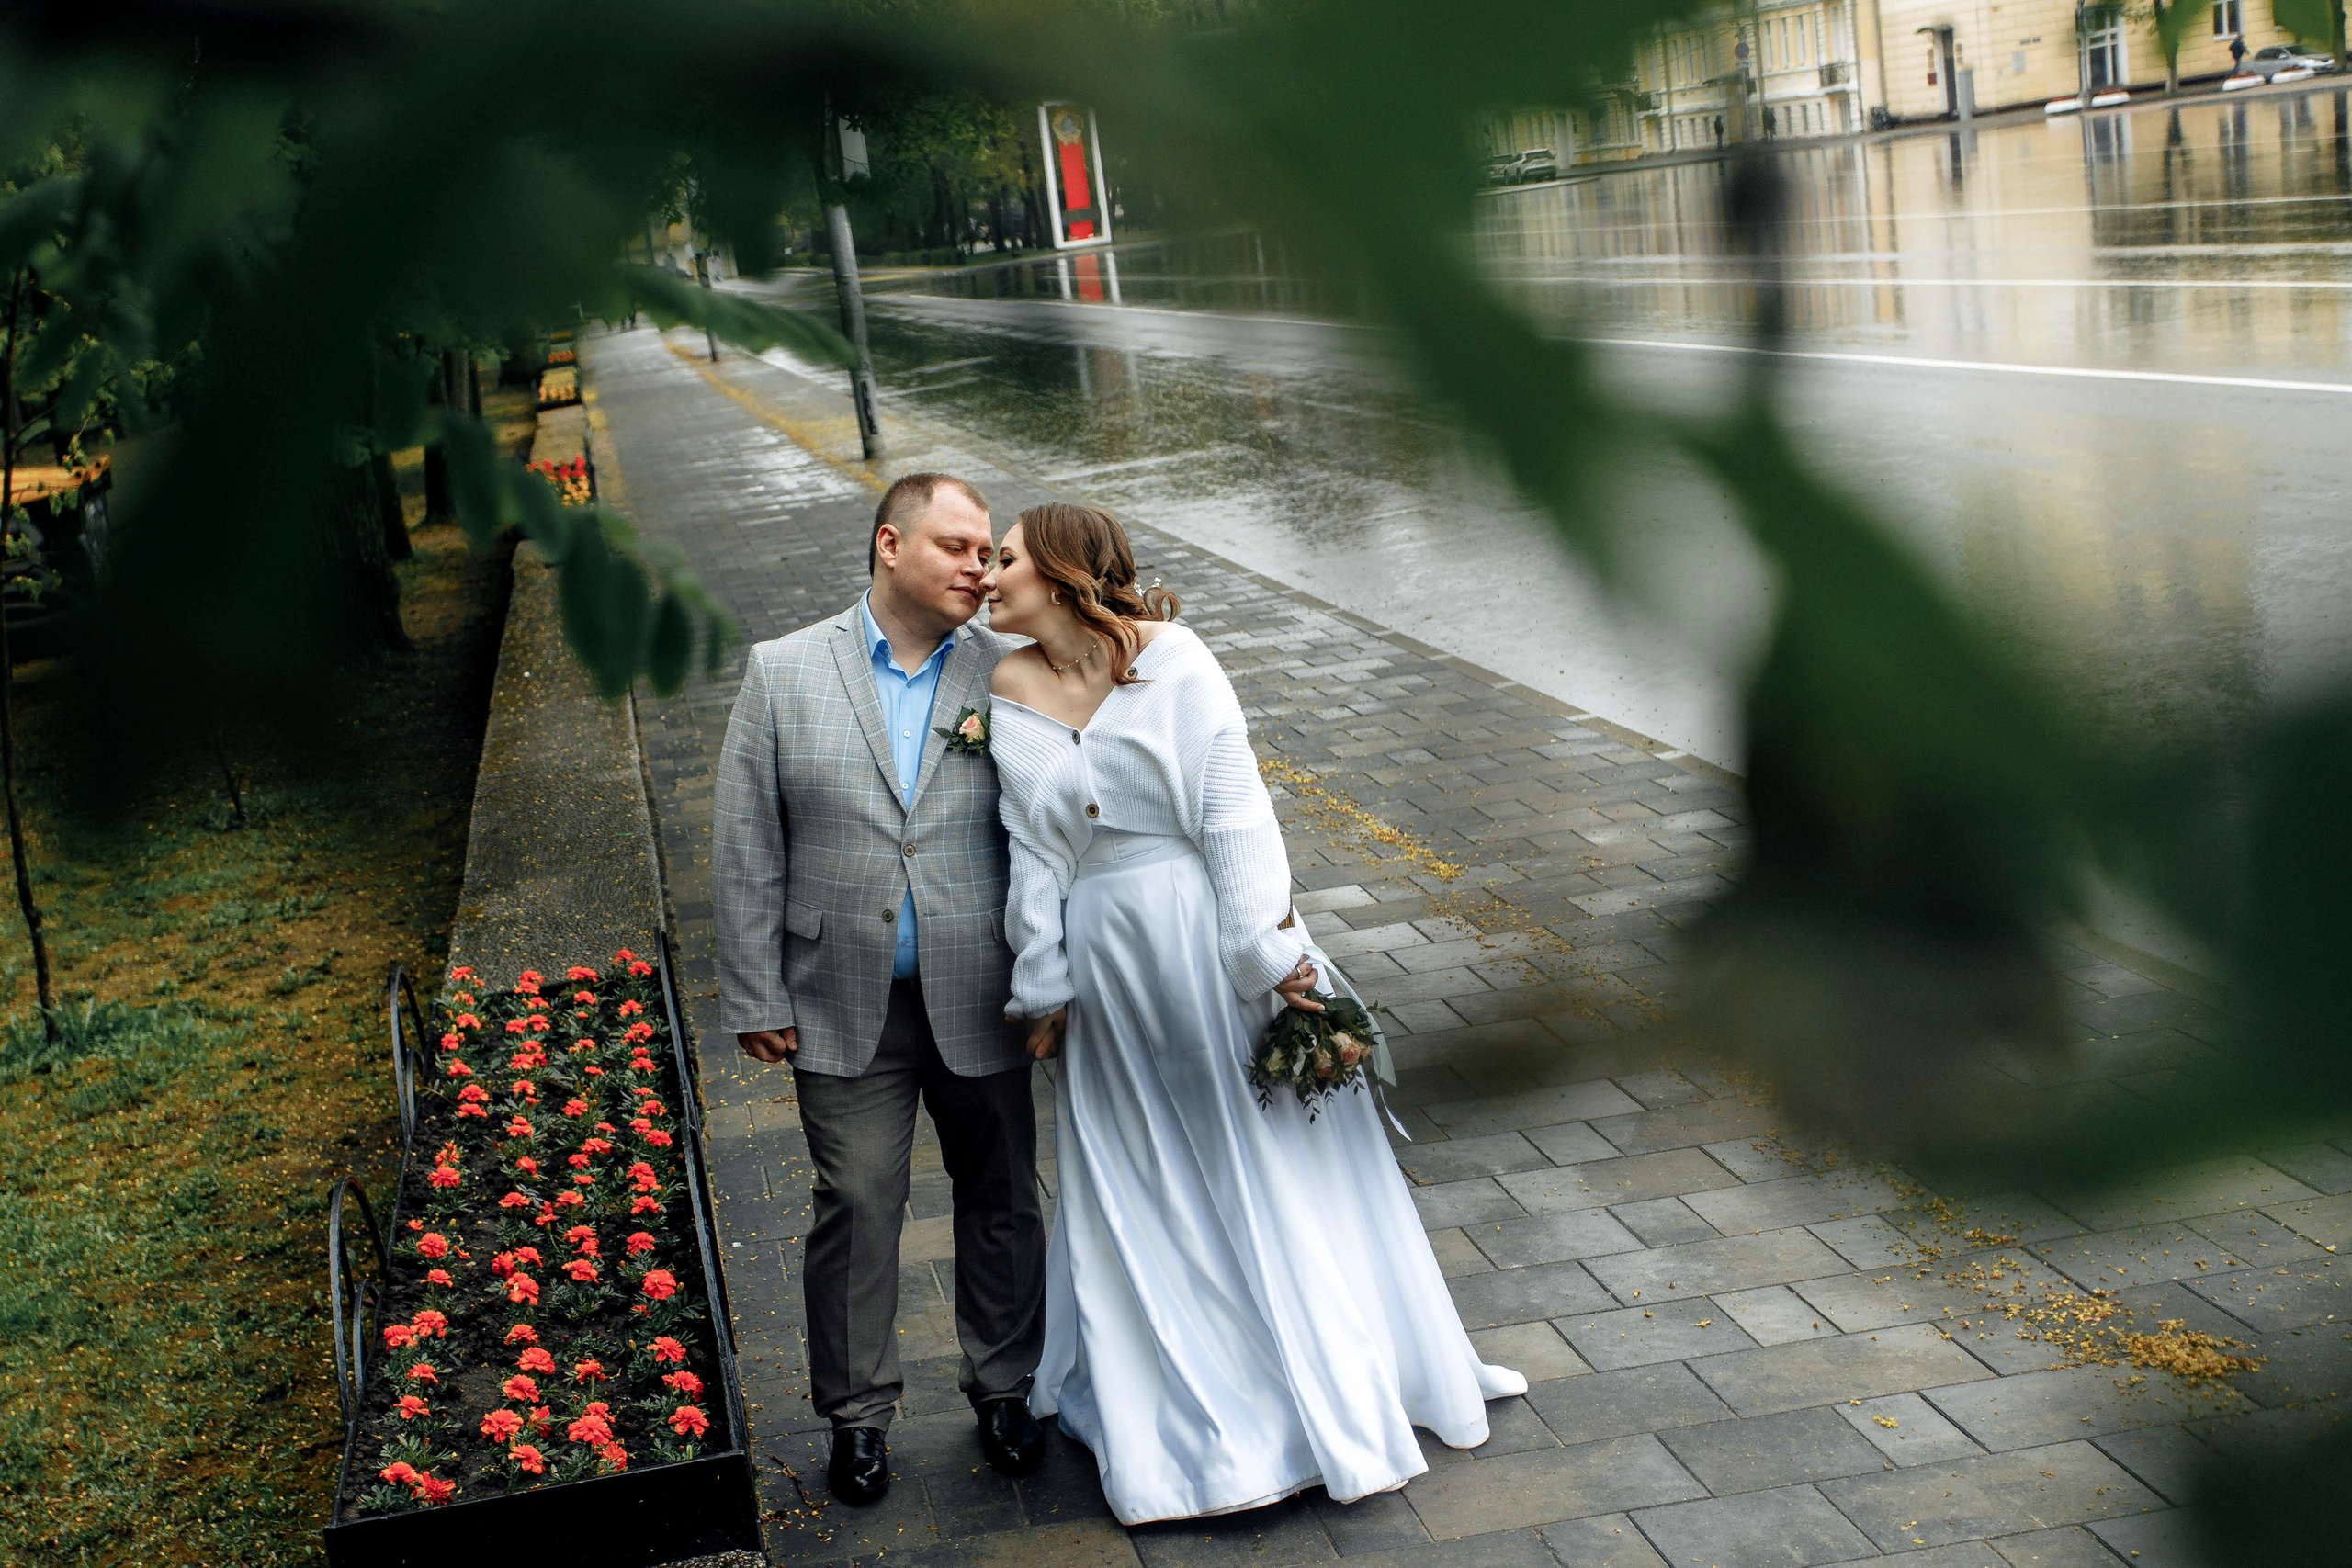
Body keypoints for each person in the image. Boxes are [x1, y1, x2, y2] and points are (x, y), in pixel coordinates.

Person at [982, 503, 1525, 1526]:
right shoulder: (1006, 683)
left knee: (1250, 1157)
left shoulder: (1177, 659)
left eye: (1003, 558)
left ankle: (1309, 1396)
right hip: (1105, 965)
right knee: (1135, 1171)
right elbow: (1034, 850)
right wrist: (1042, 984)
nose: (988, 577)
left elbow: (1233, 816)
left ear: (1059, 573)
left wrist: (1267, 960)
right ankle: (1180, 1410)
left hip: (1203, 944)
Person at [713, 472, 1046, 1507]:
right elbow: (746, 841)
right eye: (957, 547)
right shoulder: (782, 671)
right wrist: (753, 990)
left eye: (988, 551)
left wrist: (1055, 972)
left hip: (983, 989)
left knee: (1000, 1195)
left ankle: (1005, 1388)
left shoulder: (1011, 677)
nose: (979, 569)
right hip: (839, 995)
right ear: (890, 544)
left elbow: (1052, 831)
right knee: (855, 1203)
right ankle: (856, 1418)